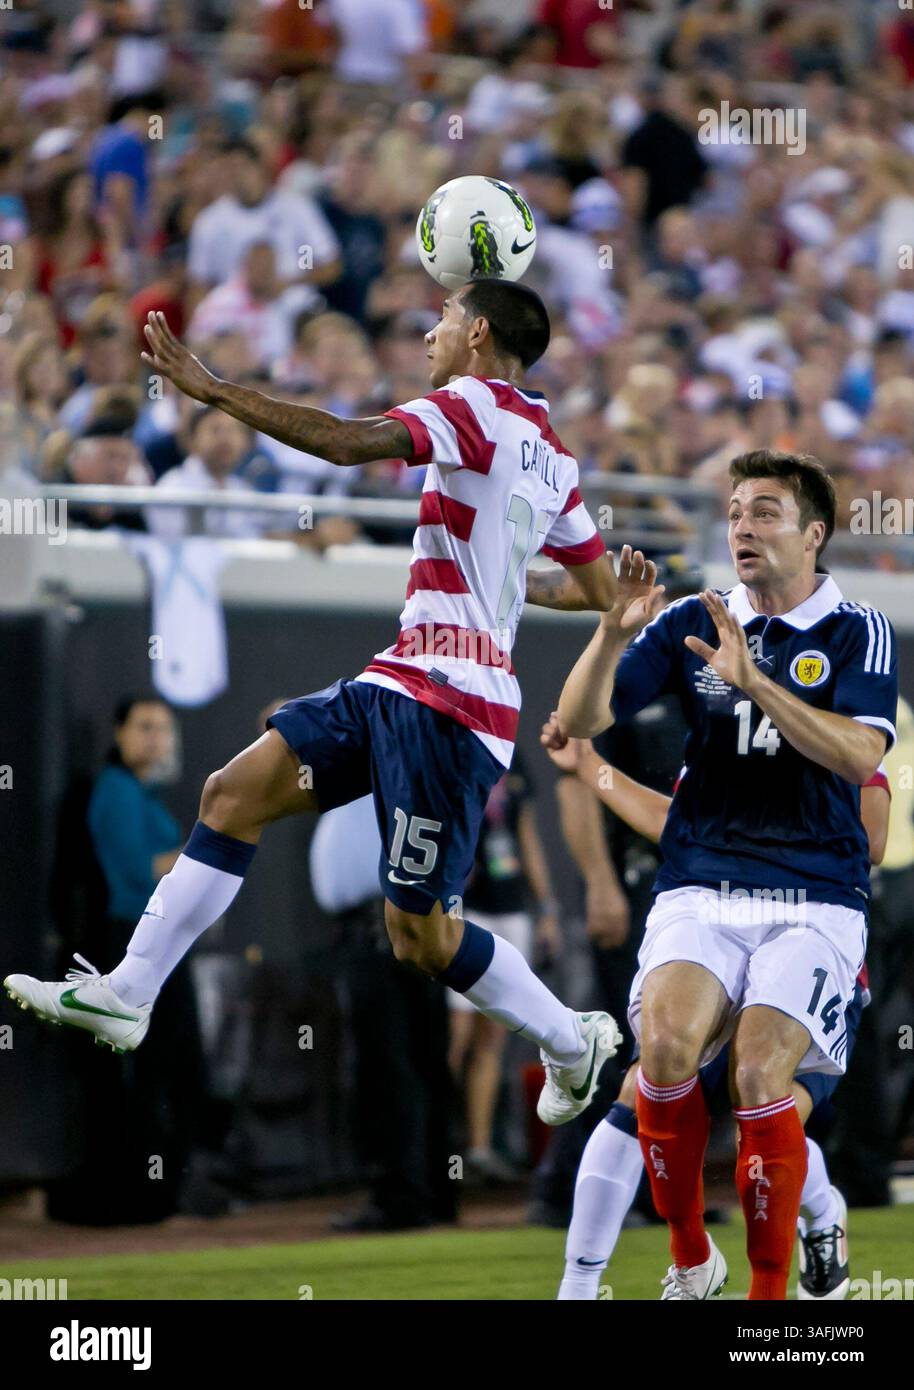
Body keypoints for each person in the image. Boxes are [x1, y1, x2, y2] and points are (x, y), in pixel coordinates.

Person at [6, 278, 623, 1130]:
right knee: (231, 794)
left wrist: (215, 390)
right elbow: (594, 585)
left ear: (478, 332)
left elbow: (342, 444)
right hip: (403, 676)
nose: (430, 335)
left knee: (419, 937)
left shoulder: (469, 403)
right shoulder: (551, 447)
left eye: (442, 320)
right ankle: (129, 990)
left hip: (453, 706)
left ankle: (568, 1037)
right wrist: (507, 590)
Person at [549, 450, 898, 1300]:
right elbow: (579, 721)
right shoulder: (686, 621)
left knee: (757, 1078)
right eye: (737, 510)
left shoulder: (859, 630)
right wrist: (609, 633)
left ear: (814, 534)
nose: (743, 525)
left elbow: (860, 758)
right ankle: (690, 1258)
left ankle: (769, 1305)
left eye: (766, 511)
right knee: (661, 1054)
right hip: (701, 885)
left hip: (815, 895)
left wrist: (756, 683)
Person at [543, 727, 890, 1301]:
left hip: (807, 939)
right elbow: (676, 828)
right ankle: (585, 1284)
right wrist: (590, 767)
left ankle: (820, 1218)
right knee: (644, 1085)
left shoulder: (834, 727)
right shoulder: (717, 732)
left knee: (762, 1094)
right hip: (716, 937)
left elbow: (871, 841)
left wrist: (760, 833)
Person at [47, 695, 208, 1225]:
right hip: (131, 941)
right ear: (119, 733)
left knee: (165, 1069)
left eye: (163, 728)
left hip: (156, 943)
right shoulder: (115, 791)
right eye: (144, 727)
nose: (155, 738)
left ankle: (159, 1194)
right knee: (144, 1070)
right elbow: (136, 872)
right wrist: (205, 860)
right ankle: (137, 1198)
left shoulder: (142, 792)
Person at [448, 749, 561, 1182]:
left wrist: (546, 908)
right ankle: (440, 1143)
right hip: (467, 909)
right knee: (456, 1035)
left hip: (511, 909)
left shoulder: (515, 763)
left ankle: (477, 1148)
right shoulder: (457, 755)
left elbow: (527, 837)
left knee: (492, 1037)